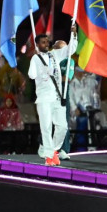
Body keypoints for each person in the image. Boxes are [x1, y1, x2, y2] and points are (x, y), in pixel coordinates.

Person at [27, 33, 72, 165]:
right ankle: (48, 157)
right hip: (44, 98)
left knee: (62, 126)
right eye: (43, 42)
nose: (46, 44)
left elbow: (70, 49)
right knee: (46, 127)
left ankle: (54, 150)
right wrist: (41, 69)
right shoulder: (35, 59)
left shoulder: (54, 55)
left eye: (47, 41)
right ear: (37, 45)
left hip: (57, 97)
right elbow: (31, 75)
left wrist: (73, 34)